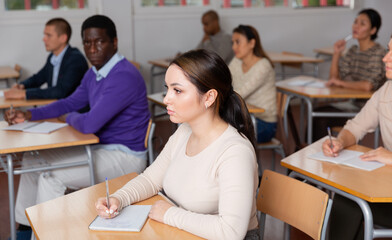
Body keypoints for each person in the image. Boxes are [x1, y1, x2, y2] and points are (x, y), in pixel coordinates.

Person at [5, 15, 150, 240]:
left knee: (50, 176)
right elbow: (70, 102)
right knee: (33, 161)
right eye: (87, 43)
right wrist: (29, 114)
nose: (92, 49)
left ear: (114, 42)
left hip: (125, 157)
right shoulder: (94, 73)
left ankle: (44, 236)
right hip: (102, 148)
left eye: (99, 41)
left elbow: (89, 122)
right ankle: (24, 230)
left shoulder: (123, 76)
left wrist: (69, 117)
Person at [95, 49, 259, 240]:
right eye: (168, 89)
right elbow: (150, 180)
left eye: (177, 90)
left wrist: (169, 214)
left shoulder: (235, 152)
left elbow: (230, 232)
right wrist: (118, 199)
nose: (166, 99)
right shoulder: (184, 131)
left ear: (209, 97)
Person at [321, 37, 392, 240]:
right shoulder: (386, 91)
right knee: (347, 197)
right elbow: (356, 126)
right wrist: (340, 141)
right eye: (388, 50)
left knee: (352, 204)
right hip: (387, 190)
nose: (385, 58)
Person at [313, 8, 387, 141]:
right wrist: (337, 53)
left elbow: (368, 86)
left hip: (367, 109)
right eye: (355, 22)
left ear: (373, 30)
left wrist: (340, 83)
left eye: (362, 24)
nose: (356, 26)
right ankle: (311, 152)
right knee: (317, 111)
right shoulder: (352, 51)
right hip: (351, 103)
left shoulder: (379, 53)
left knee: (321, 119)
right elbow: (334, 79)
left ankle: (318, 155)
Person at [4, 18, 88, 100]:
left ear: (63, 38)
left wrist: (24, 94)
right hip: (57, 107)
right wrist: (22, 85)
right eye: (44, 35)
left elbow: (61, 91)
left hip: (73, 111)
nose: (44, 39)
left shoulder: (75, 59)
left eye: (48, 35)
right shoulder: (53, 56)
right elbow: (38, 78)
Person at [229, 24, 277, 143]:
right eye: (233, 42)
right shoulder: (236, 61)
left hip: (264, 123)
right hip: (244, 118)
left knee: (227, 138)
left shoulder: (263, 65)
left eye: (238, 42)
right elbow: (223, 82)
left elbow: (240, 93)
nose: (234, 47)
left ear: (252, 43)